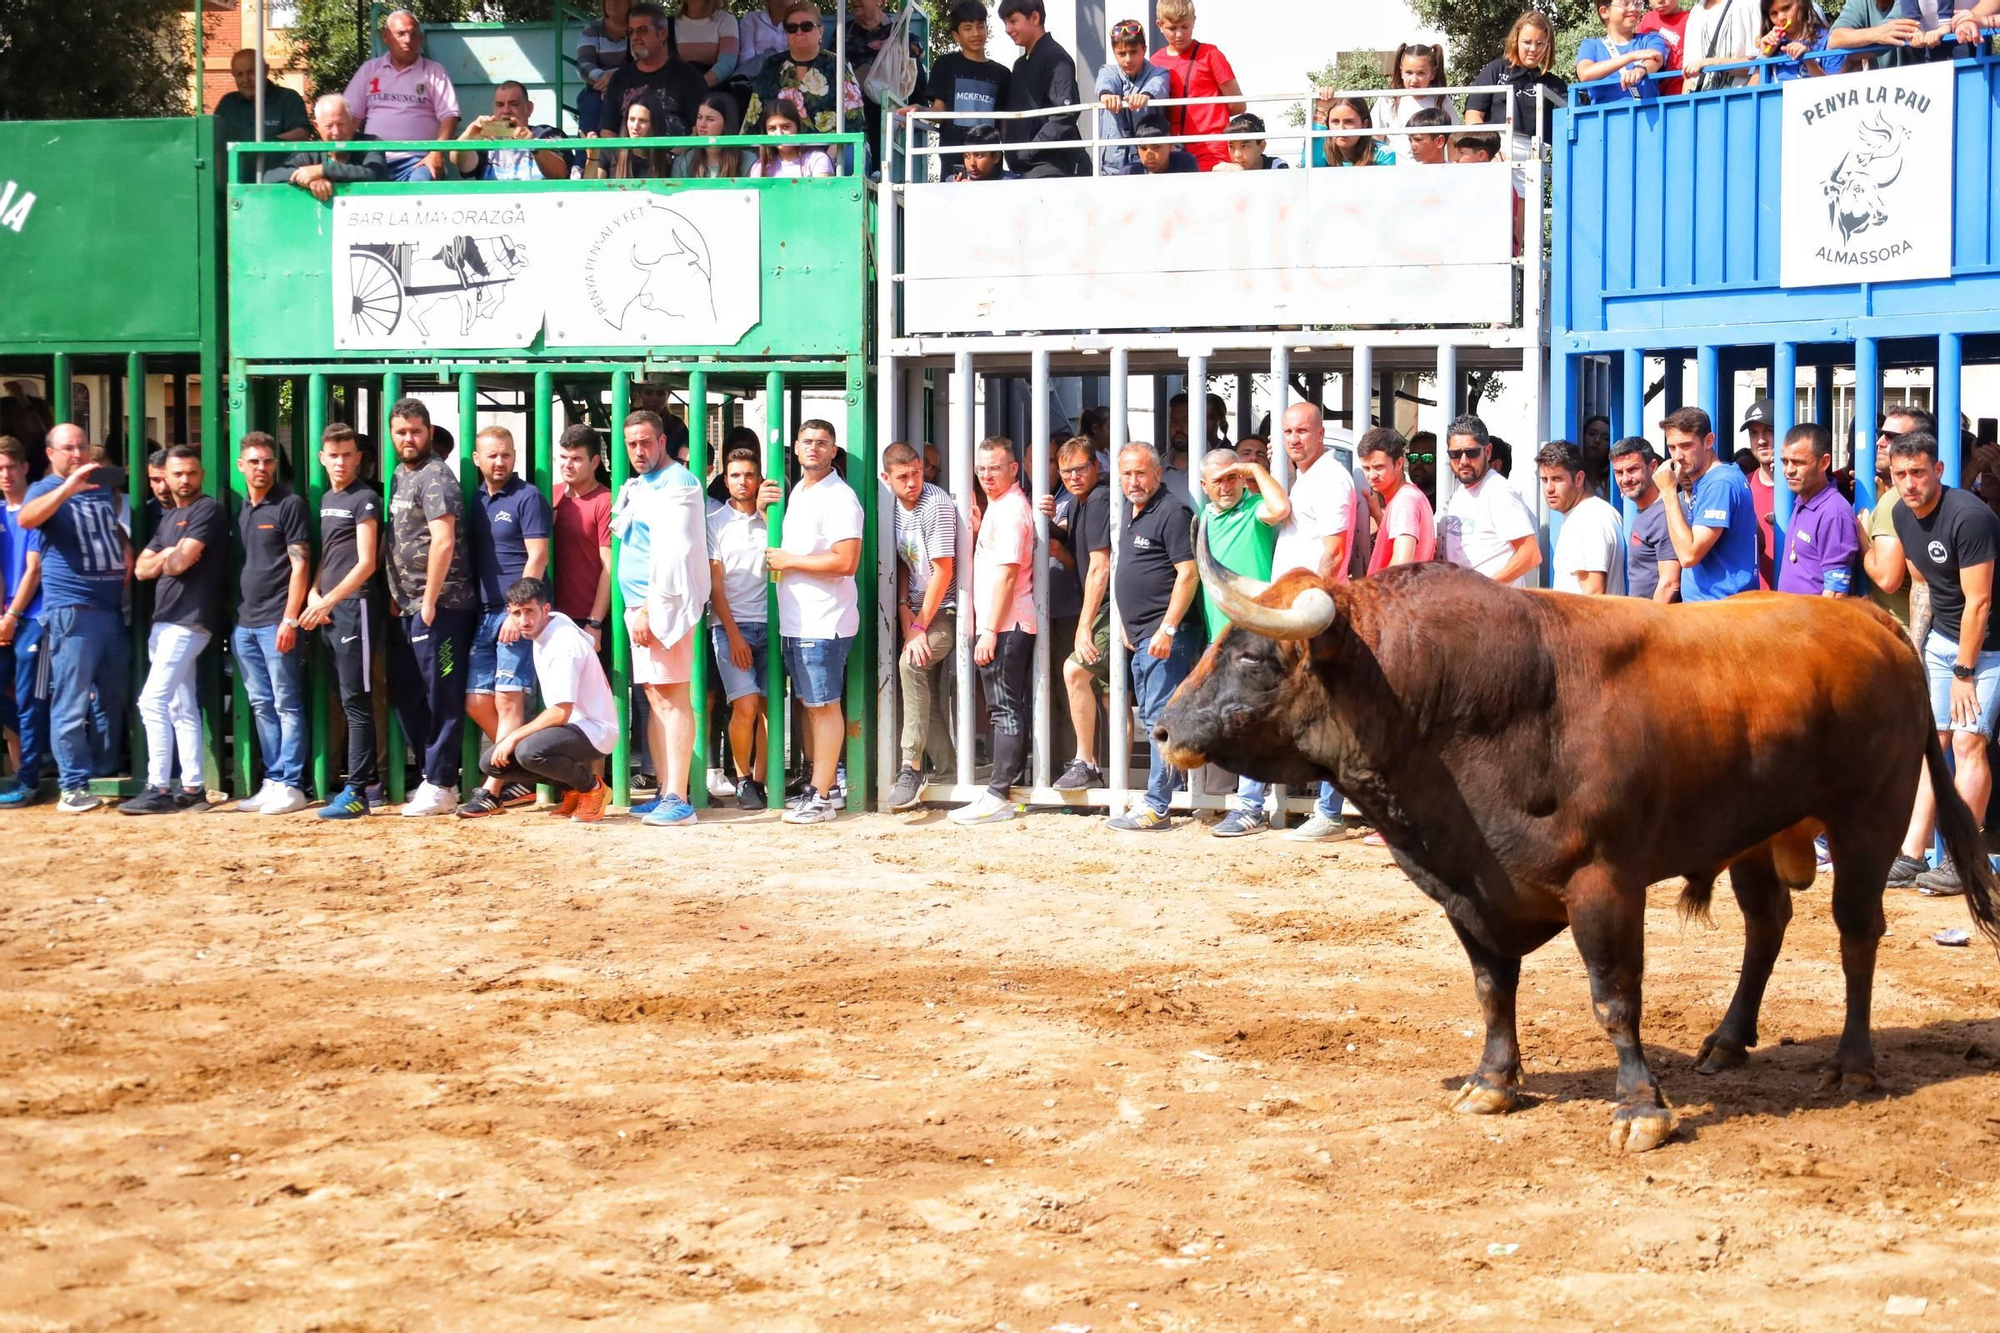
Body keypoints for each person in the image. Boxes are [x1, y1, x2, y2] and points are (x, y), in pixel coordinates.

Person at [1887, 430, 2000, 896]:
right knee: (1933, 743)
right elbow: (1923, 587)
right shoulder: (1900, 512)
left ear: (1938, 470)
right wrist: (1916, 651)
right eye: (1899, 474)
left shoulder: (1970, 518)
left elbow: (1980, 602)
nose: (1909, 483)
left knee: (1969, 744)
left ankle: (1963, 860)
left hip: (1988, 647)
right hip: (1941, 641)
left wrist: (1964, 672)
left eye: (1917, 472)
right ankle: (1913, 854)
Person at [15, 425, 129, 814]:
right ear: (51, 454)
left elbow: (109, 531)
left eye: (82, 446)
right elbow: (27, 520)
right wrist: (67, 488)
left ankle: (101, 771)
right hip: (73, 612)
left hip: (110, 609)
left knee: (111, 699)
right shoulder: (43, 489)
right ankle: (72, 786)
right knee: (71, 702)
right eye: (68, 448)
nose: (77, 454)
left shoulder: (99, 487)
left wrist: (126, 555)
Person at [609, 410, 709, 828]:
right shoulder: (637, 484)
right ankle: (665, 790)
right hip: (641, 609)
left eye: (645, 442)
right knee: (654, 697)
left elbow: (675, 555)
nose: (638, 450)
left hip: (661, 609)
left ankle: (678, 798)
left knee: (672, 698)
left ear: (663, 440)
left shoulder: (679, 483)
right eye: (632, 443)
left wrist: (651, 610)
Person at [762, 419, 864, 825]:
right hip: (799, 620)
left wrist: (790, 561)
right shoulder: (800, 492)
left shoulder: (840, 498)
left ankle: (821, 797)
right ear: (797, 448)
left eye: (822, 443)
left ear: (834, 450)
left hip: (824, 621)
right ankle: (825, 788)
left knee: (823, 706)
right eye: (807, 442)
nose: (814, 449)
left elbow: (846, 561)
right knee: (810, 705)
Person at [383, 398, 478, 817]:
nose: (408, 438)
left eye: (415, 431)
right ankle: (431, 775)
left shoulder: (436, 475)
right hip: (404, 607)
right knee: (405, 693)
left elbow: (444, 539)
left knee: (442, 694)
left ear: (428, 432)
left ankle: (442, 782)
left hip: (442, 609)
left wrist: (428, 601)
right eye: (401, 432)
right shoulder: (400, 476)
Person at [1271, 402, 1362, 841]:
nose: (1294, 439)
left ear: (1321, 433)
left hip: (1314, 616)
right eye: (1288, 432)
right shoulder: (1305, 478)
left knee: (1327, 713)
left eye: (1302, 431)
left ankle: (1329, 812)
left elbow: (1335, 551)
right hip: (1295, 614)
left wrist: (1315, 615)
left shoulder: (1331, 478)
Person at [119, 447, 224, 815]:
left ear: (202, 474)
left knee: (151, 702)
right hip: (165, 621)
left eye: (192, 473)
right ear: (166, 476)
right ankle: (193, 787)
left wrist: (167, 555)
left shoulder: (208, 509)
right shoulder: (170, 517)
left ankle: (158, 785)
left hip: (190, 621)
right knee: (180, 706)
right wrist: (170, 554)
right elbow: (142, 570)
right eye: (177, 474)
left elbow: (177, 563)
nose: (184, 480)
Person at [464, 577, 616, 825]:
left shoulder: (563, 643)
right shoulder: (548, 628)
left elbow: (560, 712)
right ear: (508, 613)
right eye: (517, 613)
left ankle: (591, 788)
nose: (524, 620)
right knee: (491, 763)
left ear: (545, 610)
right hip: (570, 728)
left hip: (594, 730)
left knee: (527, 751)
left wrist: (513, 737)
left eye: (530, 612)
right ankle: (573, 789)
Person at [457, 426, 552, 818]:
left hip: (515, 612)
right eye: (492, 455)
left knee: (508, 697)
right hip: (482, 612)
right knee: (477, 700)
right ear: (477, 459)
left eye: (506, 455)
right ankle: (520, 765)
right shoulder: (474, 499)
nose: (500, 462)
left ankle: (493, 788)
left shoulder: (527, 496)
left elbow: (538, 556)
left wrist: (519, 610)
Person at [1198, 446, 1291, 838]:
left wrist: (1253, 469)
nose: (1226, 486)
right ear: (1203, 487)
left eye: (1232, 477)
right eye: (1217, 480)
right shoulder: (1204, 517)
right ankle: (1234, 800)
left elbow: (1280, 507)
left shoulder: (1254, 508)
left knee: (1252, 719)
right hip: (1219, 636)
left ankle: (1251, 805)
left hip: (1257, 637)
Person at [1106, 442, 1198, 832]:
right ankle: (1161, 798)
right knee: (1151, 717)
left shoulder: (1173, 512)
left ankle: (1157, 806)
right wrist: (1129, 623)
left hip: (1166, 637)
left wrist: (1167, 627)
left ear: (1158, 473)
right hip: (1142, 636)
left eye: (1140, 473)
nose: (1133, 481)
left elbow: (1188, 573)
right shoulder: (1132, 513)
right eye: (1126, 474)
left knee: (1162, 719)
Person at [949, 437, 1036, 826]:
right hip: (1003, 623)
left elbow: (1006, 577)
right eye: (981, 468)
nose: (986, 475)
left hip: (1005, 625)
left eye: (995, 468)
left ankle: (999, 793)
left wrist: (988, 631)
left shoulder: (1013, 511)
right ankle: (1006, 790)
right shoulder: (1000, 508)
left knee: (1004, 710)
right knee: (1007, 708)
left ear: (1013, 469)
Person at [299, 424, 383, 821]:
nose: (340, 462)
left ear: (358, 457)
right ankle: (351, 786)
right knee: (340, 697)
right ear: (322, 458)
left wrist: (328, 599)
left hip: (356, 609)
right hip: (329, 609)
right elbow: (329, 556)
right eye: (333, 455)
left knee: (357, 701)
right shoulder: (326, 498)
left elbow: (367, 562)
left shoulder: (364, 499)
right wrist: (314, 593)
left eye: (347, 455)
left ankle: (358, 791)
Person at [228, 432, 312, 816]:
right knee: (263, 704)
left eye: (268, 461)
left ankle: (293, 784)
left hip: (277, 622)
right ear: (241, 465)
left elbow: (301, 565)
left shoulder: (289, 504)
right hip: (245, 624)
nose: (262, 468)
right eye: (255, 461)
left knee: (286, 704)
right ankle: (274, 780)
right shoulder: (241, 508)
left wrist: (289, 619)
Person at [885, 442, 958, 812]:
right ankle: (947, 773)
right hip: (914, 606)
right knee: (920, 686)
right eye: (903, 477)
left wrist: (918, 626)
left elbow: (943, 570)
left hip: (945, 608)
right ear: (887, 478)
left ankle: (910, 765)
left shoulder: (936, 505)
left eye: (917, 473)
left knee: (911, 665)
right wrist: (902, 609)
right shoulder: (890, 506)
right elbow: (900, 563)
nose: (913, 482)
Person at [707, 446, 773, 810]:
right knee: (744, 705)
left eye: (749, 474)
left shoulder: (773, 519)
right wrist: (732, 634)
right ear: (724, 478)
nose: (742, 481)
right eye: (735, 475)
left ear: (759, 478)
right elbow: (715, 585)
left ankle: (761, 781)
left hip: (772, 624)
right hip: (731, 627)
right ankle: (742, 777)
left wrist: (766, 514)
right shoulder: (715, 521)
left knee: (766, 708)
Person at [1049, 438, 1115, 792]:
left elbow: (1099, 567)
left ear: (1096, 467)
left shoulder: (1101, 499)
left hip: (1106, 609)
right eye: (1066, 471)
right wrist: (1051, 524)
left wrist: (1084, 627)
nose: (1074, 476)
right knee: (1109, 692)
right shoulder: (1078, 503)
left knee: (1075, 671)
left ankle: (1086, 761)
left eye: (1080, 468)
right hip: (1100, 609)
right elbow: (1077, 554)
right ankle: (1112, 775)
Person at [342, 8, 459, 182]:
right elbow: (349, 118)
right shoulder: (370, 70)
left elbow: (450, 116)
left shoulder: (434, 71)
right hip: (373, 159)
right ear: (386, 36)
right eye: (401, 34)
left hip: (417, 160)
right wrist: (345, 156)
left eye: (413, 35)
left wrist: (436, 153)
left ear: (420, 39)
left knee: (418, 192)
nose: (408, 40)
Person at [1654, 406, 1757, 601]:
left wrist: (1668, 492)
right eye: (1672, 447)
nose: (1677, 456)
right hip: (1719, 607)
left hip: (1719, 610)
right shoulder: (1725, 476)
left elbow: (1688, 556)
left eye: (1686, 446)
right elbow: (1758, 538)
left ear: (1709, 441)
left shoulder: (1720, 483)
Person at [0, 437, 48, 805]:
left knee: (32, 697)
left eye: (10, 467)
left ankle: (29, 777)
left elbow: (34, 569)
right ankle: (31, 757)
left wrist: (12, 615)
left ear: (25, 468)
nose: (4, 474)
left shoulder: (38, 508)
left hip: (36, 616)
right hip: (6, 617)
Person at [1440, 413, 1541, 587]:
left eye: (1471, 453)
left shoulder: (1499, 491)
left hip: (1497, 608)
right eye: (1455, 454)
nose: (1463, 461)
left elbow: (1530, 554)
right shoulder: (1459, 493)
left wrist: (1485, 589)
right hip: (1466, 604)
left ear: (1487, 452)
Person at [742, 2, 865, 142]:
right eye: (792, 28)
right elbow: (754, 116)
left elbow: (855, 118)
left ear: (820, 31)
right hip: (780, 150)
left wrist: (833, 152)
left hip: (833, 149)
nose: (799, 32)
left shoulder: (837, 65)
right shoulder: (772, 65)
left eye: (806, 26)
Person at [1858, 408, 1929, 634]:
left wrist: (1861, 536)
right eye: (1882, 433)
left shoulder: (1896, 499)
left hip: (1898, 631)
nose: (1880, 441)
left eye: (1891, 437)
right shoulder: (1920, 493)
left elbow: (1888, 579)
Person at [1150, 0, 1243, 172]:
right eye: (1172, 28)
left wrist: (1209, 117)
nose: (1179, 34)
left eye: (1185, 27)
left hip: (1212, 150)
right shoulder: (1155, 62)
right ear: (1159, 25)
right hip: (1172, 151)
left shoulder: (1211, 54)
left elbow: (1238, 104)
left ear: (1194, 21)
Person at [999, 0, 1086, 179]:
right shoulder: (1021, 64)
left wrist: (1027, 151)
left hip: (1052, 169)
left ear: (1035, 17)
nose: (1008, 29)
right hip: (1026, 168)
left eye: (1013, 21)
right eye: (1005, 23)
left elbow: (1065, 114)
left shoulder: (1057, 58)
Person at [598, 3, 708, 144]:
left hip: (678, 161)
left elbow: (699, 129)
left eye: (642, 30)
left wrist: (681, 154)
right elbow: (607, 130)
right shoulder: (619, 78)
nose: (635, 37)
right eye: (631, 32)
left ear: (662, 34)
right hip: (629, 161)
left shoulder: (689, 76)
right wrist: (622, 157)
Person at [926, 0, 1011, 177]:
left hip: (989, 162)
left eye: (980, 26)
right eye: (967, 28)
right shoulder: (945, 65)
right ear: (956, 36)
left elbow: (1004, 125)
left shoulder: (1002, 73)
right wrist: (916, 111)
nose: (976, 33)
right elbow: (939, 112)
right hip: (953, 158)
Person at [1465, 11, 1568, 155]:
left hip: (1535, 156)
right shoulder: (1497, 69)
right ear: (1516, 41)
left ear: (1548, 46)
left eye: (1540, 44)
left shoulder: (1554, 85)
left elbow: (1568, 128)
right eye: (1527, 42)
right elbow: (1473, 115)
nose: (1533, 49)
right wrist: (1488, 151)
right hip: (1494, 151)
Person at [1775, 422, 1859, 597]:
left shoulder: (1834, 513)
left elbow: (1836, 594)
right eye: (1785, 461)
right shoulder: (1803, 500)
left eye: (1798, 462)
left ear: (1824, 463)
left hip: (1814, 622)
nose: (1789, 470)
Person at [1538, 439, 1626, 595]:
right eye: (1545, 480)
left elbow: (1593, 592)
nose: (1549, 489)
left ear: (1578, 479)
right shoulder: (1599, 511)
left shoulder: (1586, 519)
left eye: (1557, 479)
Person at [551, 424, 612, 644]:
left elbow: (610, 565)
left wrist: (595, 622)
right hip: (551, 615)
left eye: (576, 459)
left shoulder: (605, 501)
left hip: (587, 618)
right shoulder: (552, 494)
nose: (567, 465)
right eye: (563, 457)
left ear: (595, 462)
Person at [261, 95, 389, 198]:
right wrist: (308, 179)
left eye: (342, 124)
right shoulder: (310, 151)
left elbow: (375, 173)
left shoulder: (370, 143)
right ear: (317, 127)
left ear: (352, 122)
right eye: (329, 126)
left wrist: (323, 170)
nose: (336, 132)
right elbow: (270, 176)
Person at [1093, 19, 1170, 176]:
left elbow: (1159, 85)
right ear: (1114, 53)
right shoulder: (1108, 71)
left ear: (1144, 50)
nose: (1128, 59)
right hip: (1111, 168)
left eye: (1133, 52)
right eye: (1121, 53)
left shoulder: (1159, 72)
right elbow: (1104, 82)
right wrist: (1106, 94)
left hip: (1149, 166)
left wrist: (1146, 95)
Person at [451, 81, 572, 181]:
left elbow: (559, 173)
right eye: (500, 105)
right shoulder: (486, 139)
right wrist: (468, 136)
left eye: (514, 104)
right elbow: (462, 163)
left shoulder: (546, 134)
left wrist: (534, 145)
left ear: (529, 108)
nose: (506, 110)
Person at [1611, 436, 1681, 603]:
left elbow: (1670, 584)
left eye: (1633, 469)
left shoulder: (1666, 513)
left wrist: (1648, 627)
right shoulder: (1646, 512)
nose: (1626, 479)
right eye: (1619, 472)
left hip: (1658, 623)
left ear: (1653, 467)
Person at [1359, 426, 1437, 575]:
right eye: (1367, 468)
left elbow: (1402, 563)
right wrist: (1377, 513)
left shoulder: (1405, 502)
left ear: (1399, 464)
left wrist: (1372, 593)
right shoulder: (1409, 497)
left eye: (1379, 467)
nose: (1372, 475)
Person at [215, 48, 311, 152]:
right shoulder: (228, 103)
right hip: (234, 166)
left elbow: (302, 133)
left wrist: (264, 145)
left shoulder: (288, 98)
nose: (245, 80)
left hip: (281, 166)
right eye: (239, 74)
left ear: (266, 70)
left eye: (251, 72)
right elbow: (212, 136)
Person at [1577, 0, 1669, 105]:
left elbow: (1656, 59)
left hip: (1649, 115)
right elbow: (1585, 74)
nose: (1633, 9)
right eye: (1625, 3)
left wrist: (1641, 70)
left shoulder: (1651, 39)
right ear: (1604, 12)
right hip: (1605, 118)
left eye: (1636, 4)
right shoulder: (1591, 45)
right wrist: (1631, 57)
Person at [576, 0, 632, 171]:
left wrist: (614, 81)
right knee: (590, 103)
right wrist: (603, 80)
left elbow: (640, 62)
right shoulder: (592, 31)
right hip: (597, 89)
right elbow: (584, 64)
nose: (613, 2)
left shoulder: (636, 29)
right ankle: (580, 166)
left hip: (630, 86)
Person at [1738, 397, 1778, 589]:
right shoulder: (1741, 486)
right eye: (1754, 433)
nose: (1761, 440)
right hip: (1754, 602)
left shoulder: (1805, 489)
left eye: (1769, 431)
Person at [1381, 41, 1461, 134]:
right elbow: (1375, 138)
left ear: (1433, 74)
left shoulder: (1441, 100)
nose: (1414, 80)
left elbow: (1455, 136)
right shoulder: (1388, 100)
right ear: (1401, 72)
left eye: (1421, 73)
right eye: (1409, 73)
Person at [1683, 0, 1763, 90]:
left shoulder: (1748, 3)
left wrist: (1711, 63)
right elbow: (1688, 77)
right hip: (1700, 100)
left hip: (1737, 98)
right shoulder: (1696, 12)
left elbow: (1758, 64)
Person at [674, 93, 756, 178]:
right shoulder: (684, 162)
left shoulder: (749, 162)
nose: (702, 124)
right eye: (699, 117)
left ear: (726, 124)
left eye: (710, 119)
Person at [1760, 0, 1846, 79]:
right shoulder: (1770, 45)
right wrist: (1763, 55)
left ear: (1801, 4)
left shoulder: (1827, 40)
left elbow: (1836, 91)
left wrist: (1808, 60)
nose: (1781, 18)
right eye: (1773, 13)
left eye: (1786, 8)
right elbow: (1750, 92)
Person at [751, 100, 837, 178]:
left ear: (798, 127)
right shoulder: (760, 166)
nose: (779, 134)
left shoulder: (816, 159)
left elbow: (823, 193)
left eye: (786, 127)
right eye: (772, 128)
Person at [1308, 96, 1394, 168]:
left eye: (1349, 121)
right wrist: (1321, 111)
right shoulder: (1320, 150)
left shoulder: (1382, 154)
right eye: (1335, 121)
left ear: (1365, 124)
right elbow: (1308, 166)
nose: (1341, 129)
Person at [678, 0, 742, 85]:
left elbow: (726, 65)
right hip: (673, 90)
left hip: (713, 91)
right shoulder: (669, 24)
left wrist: (697, 87)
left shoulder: (726, 20)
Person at [610, 97, 672, 180]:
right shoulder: (609, 153)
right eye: (631, 119)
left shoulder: (666, 161)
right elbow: (591, 188)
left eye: (643, 121)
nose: (635, 127)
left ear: (654, 124)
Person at [1637, 0, 1692, 93]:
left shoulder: (1690, 20)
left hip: (1677, 93)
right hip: (1650, 92)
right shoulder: (1647, 19)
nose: (1660, 1)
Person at [1216, 112, 1288, 172]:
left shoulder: (1276, 167)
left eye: (1244, 146)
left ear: (1261, 146)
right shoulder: (1227, 170)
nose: (1237, 155)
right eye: (1231, 146)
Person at [950, 123, 1019, 181]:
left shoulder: (1012, 183)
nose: (972, 163)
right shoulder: (953, 181)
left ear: (996, 157)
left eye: (978, 156)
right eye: (967, 156)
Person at [1132, 119, 1200, 174]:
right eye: (1143, 148)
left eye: (1156, 147)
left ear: (1170, 145)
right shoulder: (1130, 171)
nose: (1149, 156)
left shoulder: (1185, 163)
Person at [1581, 414, 1613, 497]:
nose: (1597, 440)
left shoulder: (1612, 479)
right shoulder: (1571, 473)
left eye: (1606, 438)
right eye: (1592, 434)